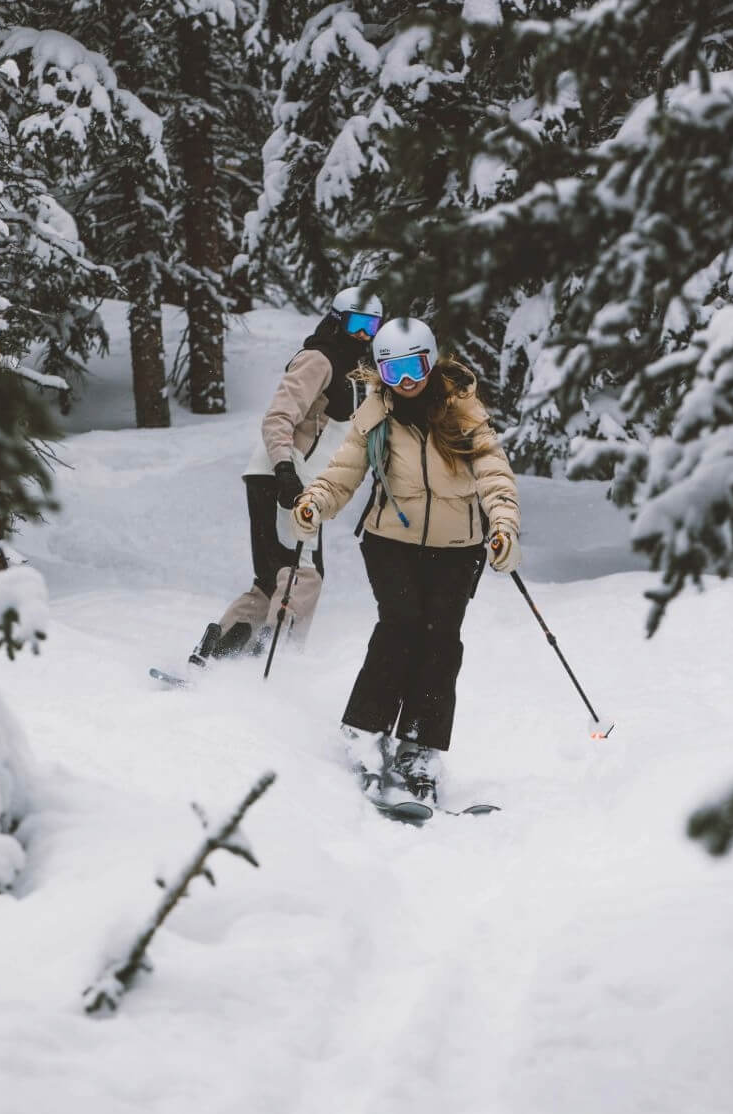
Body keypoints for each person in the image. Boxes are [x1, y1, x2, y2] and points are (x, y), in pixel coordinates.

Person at [289, 317, 520, 804]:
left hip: (457, 549)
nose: (407, 380)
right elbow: (344, 472)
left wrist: (503, 525)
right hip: (390, 542)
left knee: (441, 641)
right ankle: (365, 732)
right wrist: (314, 503)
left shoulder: (464, 412)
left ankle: (419, 745)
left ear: (431, 360)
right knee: (401, 626)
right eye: (393, 372)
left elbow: (494, 472)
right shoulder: (375, 413)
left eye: (414, 366)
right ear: (381, 374)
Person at [189, 287, 383, 665]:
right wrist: (284, 470)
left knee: (273, 577)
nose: (364, 335)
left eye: (371, 326)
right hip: (287, 480)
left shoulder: (355, 372)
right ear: (337, 320)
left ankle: (219, 658)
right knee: (303, 574)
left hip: (291, 481)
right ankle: (276, 665)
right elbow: (279, 415)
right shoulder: (319, 359)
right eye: (357, 324)